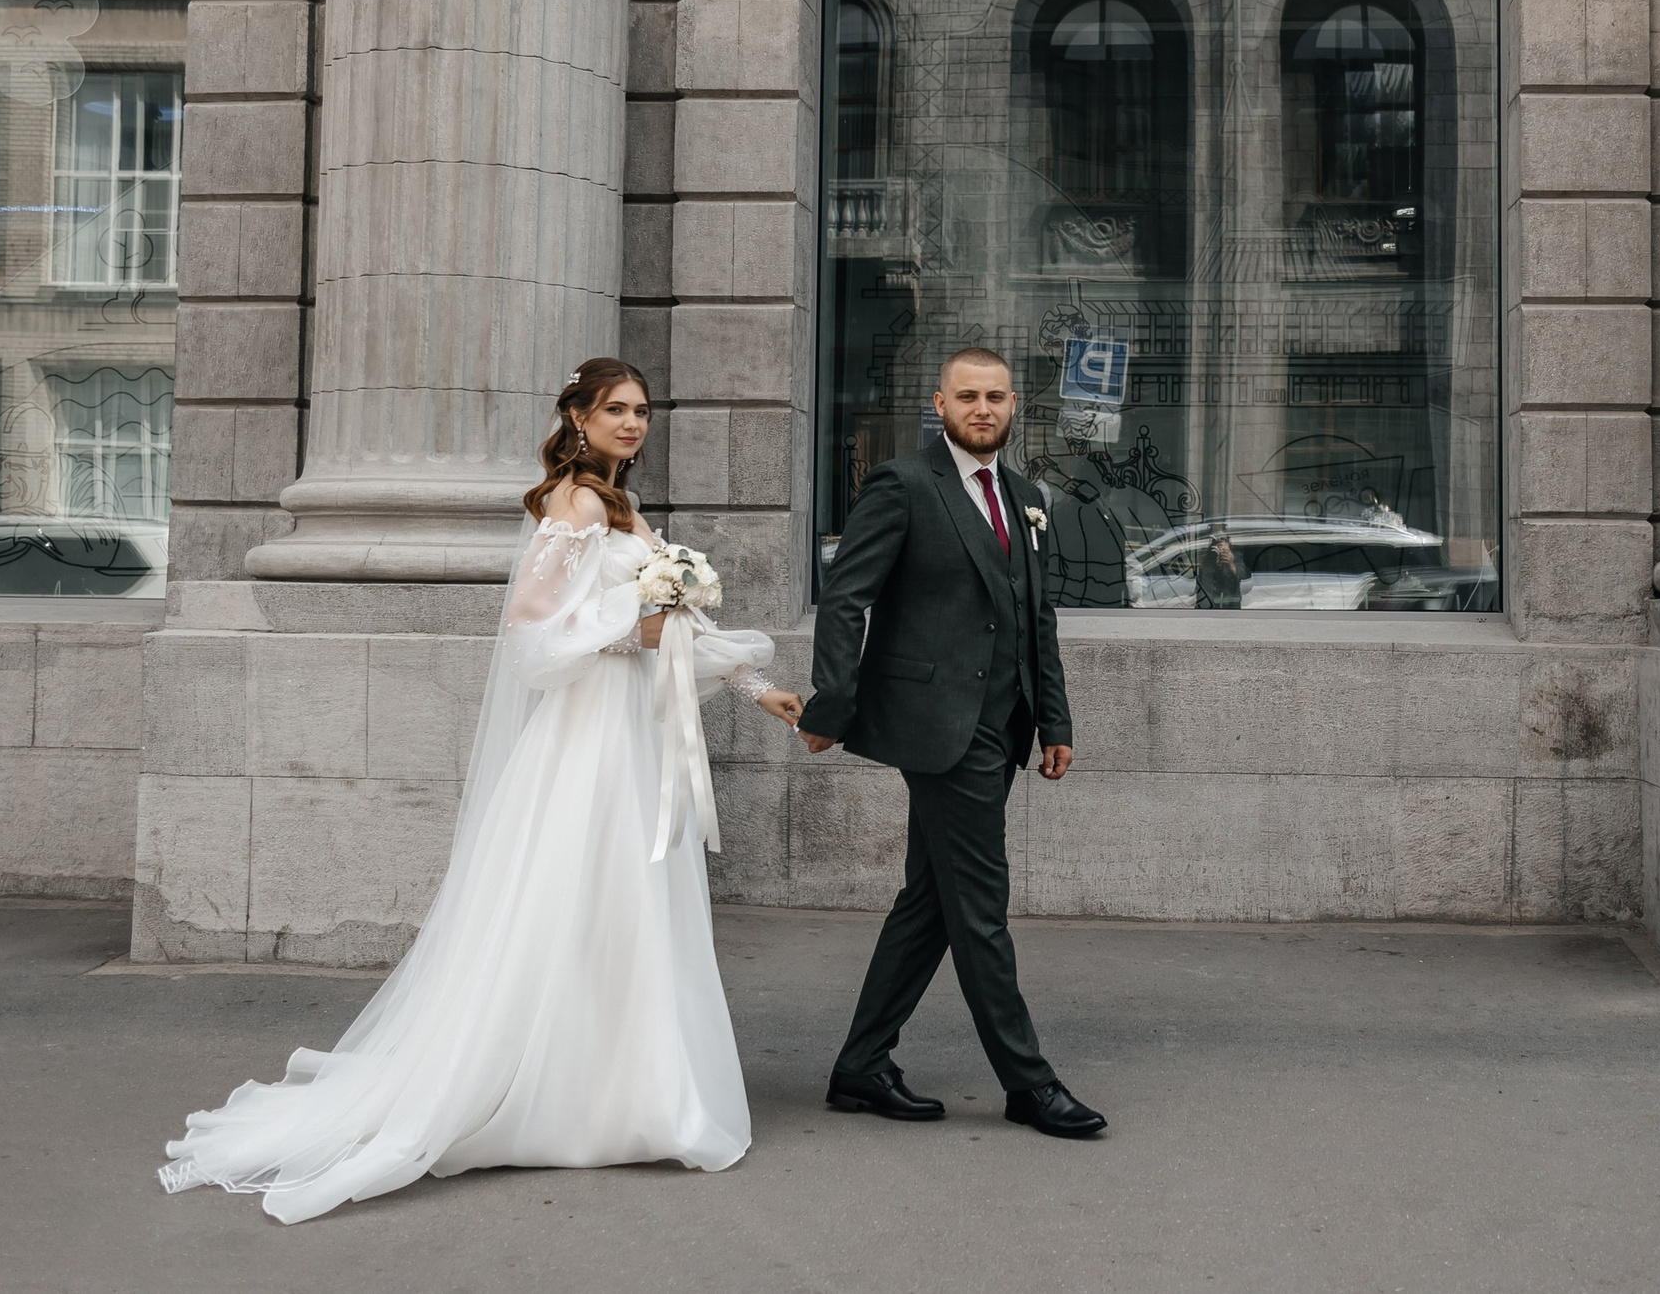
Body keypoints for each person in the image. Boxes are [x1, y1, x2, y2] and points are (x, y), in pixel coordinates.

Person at [158, 358, 805, 1222]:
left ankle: (626, 1091)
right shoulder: (572, 504)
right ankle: (548, 1091)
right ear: (575, 416)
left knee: (627, 911)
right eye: (615, 408)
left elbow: (681, 633)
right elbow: (533, 636)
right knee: (568, 909)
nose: (632, 422)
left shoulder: (627, 513)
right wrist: (632, 626)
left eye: (642, 410)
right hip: (585, 743)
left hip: (633, 739)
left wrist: (758, 692)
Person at [801, 346, 1107, 1138]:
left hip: (1002, 726)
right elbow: (845, 600)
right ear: (938, 404)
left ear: (1014, 406)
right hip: (939, 728)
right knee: (980, 906)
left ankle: (862, 1065)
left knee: (930, 900)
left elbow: (1037, 617)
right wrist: (830, 705)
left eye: (996, 396)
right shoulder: (904, 485)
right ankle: (1027, 1082)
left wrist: (1055, 720)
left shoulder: (1025, 494)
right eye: (967, 396)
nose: (982, 408)